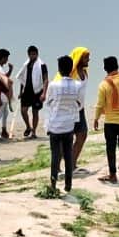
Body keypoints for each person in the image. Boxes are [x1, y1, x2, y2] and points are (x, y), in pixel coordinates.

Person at [42, 54, 85, 194]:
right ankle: (68, 184)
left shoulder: (53, 85)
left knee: (55, 155)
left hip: (55, 125)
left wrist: (47, 125)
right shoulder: (77, 85)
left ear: (59, 69)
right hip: (68, 125)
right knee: (67, 154)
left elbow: (48, 104)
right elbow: (80, 104)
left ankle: (53, 184)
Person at [91, 55, 119, 183]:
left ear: (105, 68)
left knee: (110, 148)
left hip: (110, 122)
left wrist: (96, 118)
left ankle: (112, 174)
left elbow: (100, 104)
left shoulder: (103, 84)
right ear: (117, 65)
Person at [69, 46, 92, 171]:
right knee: (67, 138)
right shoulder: (72, 74)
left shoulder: (85, 72)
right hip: (71, 110)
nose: (88, 60)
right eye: (86, 57)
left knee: (82, 135)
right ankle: (60, 165)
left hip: (81, 109)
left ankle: (72, 163)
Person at [18, 46, 48, 140]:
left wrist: (44, 93)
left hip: (37, 91)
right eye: (31, 54)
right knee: (23, 111)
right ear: (28, 54)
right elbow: (22, 79)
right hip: (26, 91)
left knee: (35, 112)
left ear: (37, 54)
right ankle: (28, 126)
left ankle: (34, 132)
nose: (32, 56)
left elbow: (46, 80)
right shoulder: (26, 65)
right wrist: (20, 92)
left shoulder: (42, 65)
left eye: (34, 54)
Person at [0, 49, 15, 142]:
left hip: (4, 94)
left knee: (5, 112)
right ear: (3, 58)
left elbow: (5, 78)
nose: (7, 60)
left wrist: (10, 70)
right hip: (1, 94)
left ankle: (3, 130)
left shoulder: (0, 68)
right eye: (7, 58)